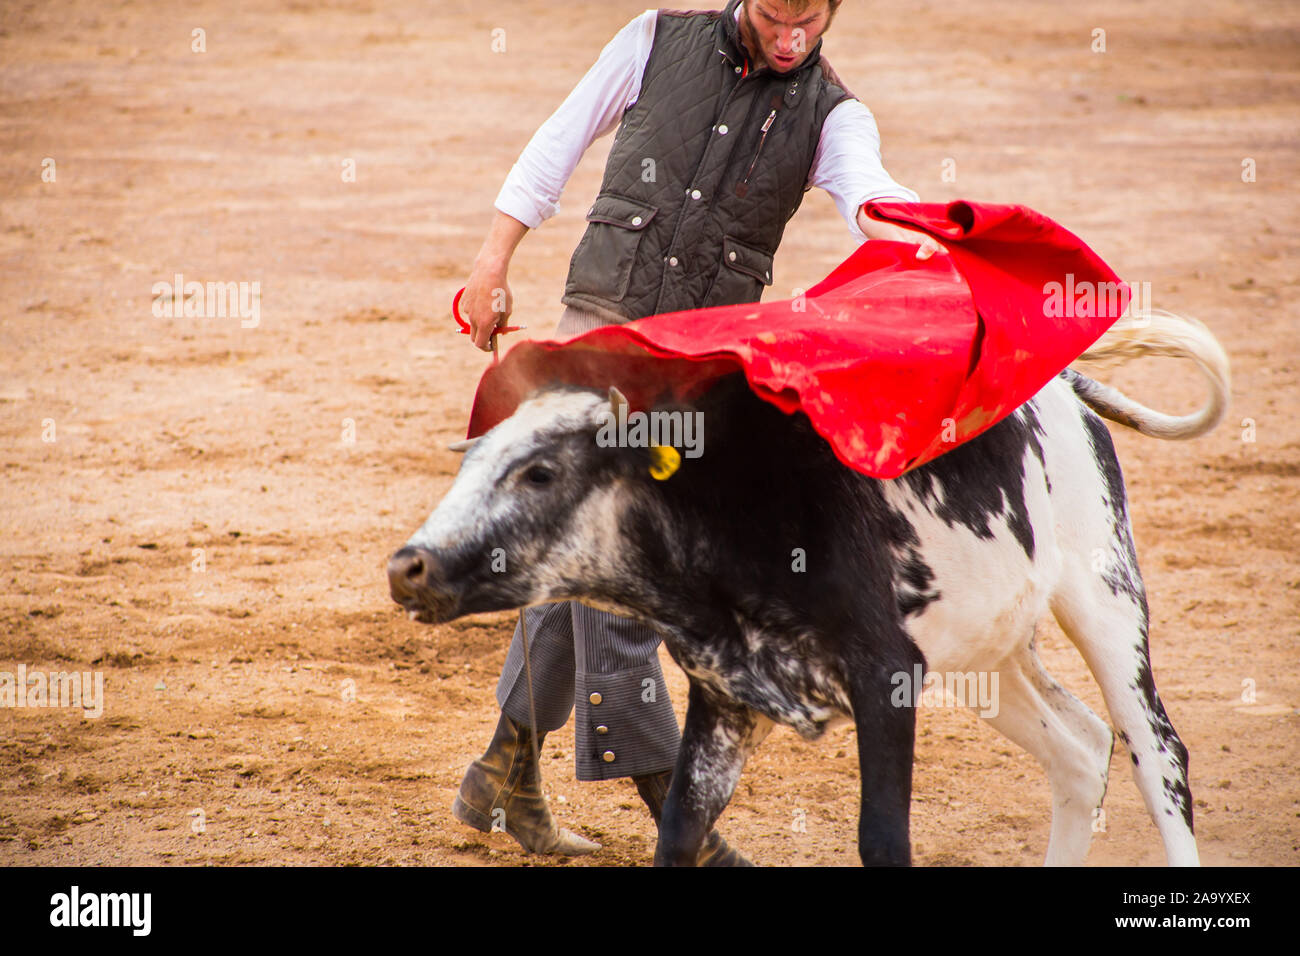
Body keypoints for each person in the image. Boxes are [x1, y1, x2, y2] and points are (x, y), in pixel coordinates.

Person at [453, 0, 943, 864]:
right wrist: (492, 261)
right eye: (775, 17)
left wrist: (927, 235)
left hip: (692, 372)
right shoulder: (654, 37)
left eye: (811, 23)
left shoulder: (836, 114)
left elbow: (868, 195)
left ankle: (504, 772)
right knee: (626, 569)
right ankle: (677, 823)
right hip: (593, 336)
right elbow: (557, 143)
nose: (791, 39)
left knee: (596, 557)